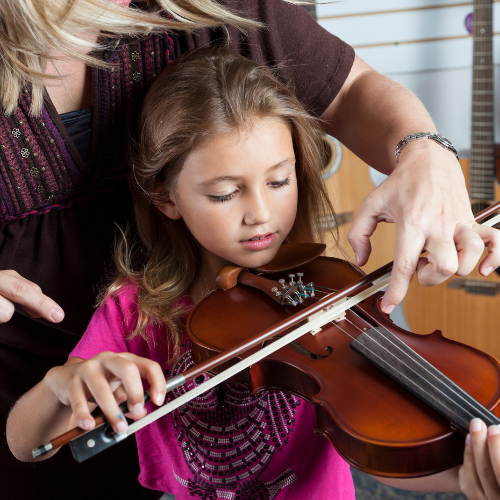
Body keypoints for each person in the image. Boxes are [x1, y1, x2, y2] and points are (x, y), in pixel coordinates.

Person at [1, 0, 499, 499]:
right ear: (165, 197)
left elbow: (374, 437)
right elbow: (27, 444)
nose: (261, 213)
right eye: (224, 193)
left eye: (280, 181)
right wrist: (59, 388)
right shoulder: (134, 314)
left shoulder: (326, 290)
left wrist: (466, 471)